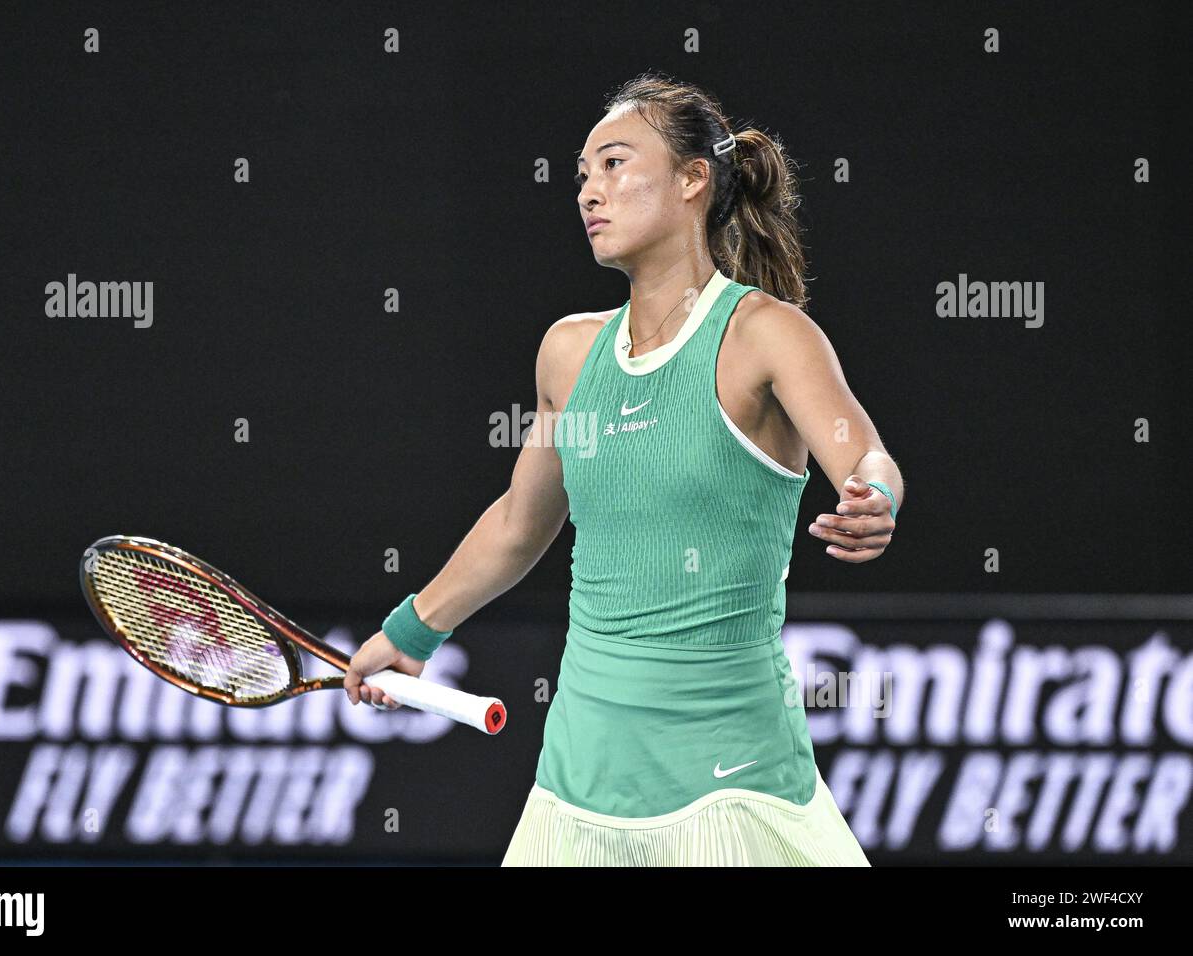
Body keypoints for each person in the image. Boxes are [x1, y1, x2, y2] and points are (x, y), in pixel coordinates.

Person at [343, 71, 902, 866]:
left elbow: (865, 453)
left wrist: (874, 495)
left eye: (612, 164)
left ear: (691, 180)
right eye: (580, 176)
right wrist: (411, 630)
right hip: (578, 787)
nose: (587, 192)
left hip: (731, 783)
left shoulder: (766, 335)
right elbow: (518, 525)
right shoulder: (568, 353)